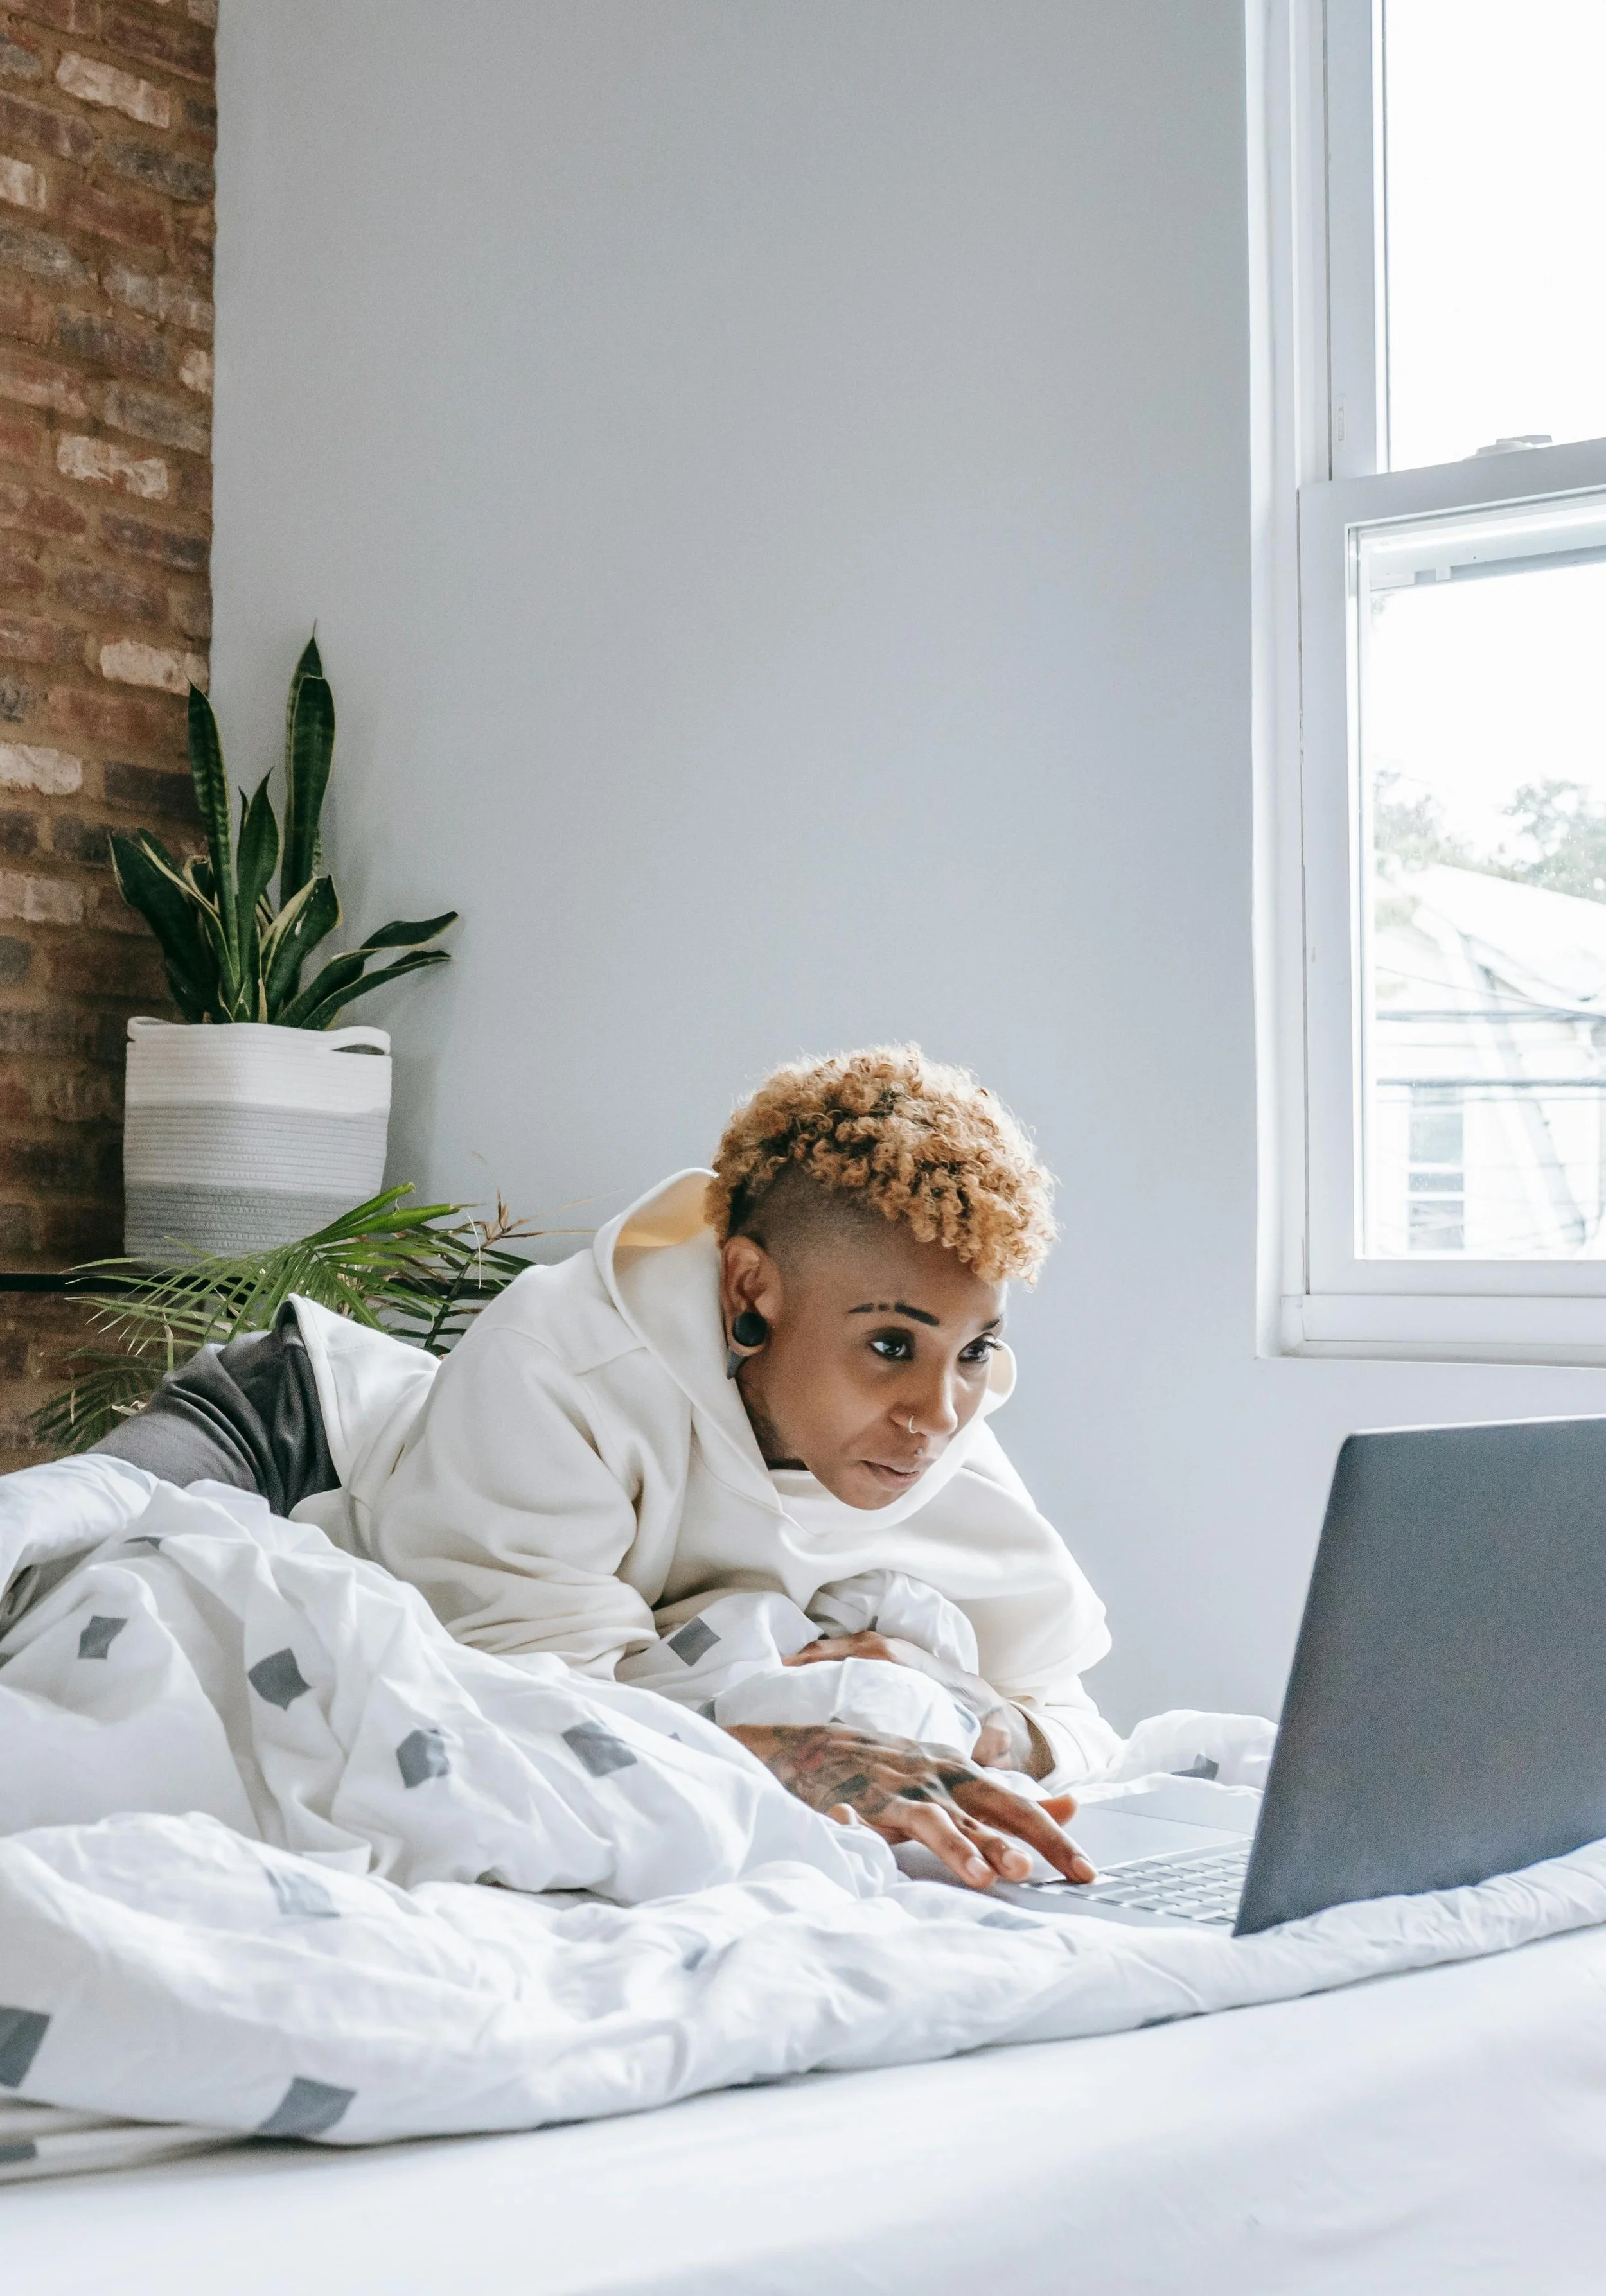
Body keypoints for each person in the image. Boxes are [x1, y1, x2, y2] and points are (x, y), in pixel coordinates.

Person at [93, 1046, 1115, 1893]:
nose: (939, 1415)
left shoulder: (941, 1451)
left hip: (459, 1455)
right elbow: (530, 1702)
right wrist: (787, 1753)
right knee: (63, 1574)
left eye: (975, 1349)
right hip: (295, 1430)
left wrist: (988, 1721)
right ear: (753, 1286)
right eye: (892, 1344)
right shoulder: (563, 1356)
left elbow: (1073, 1721)